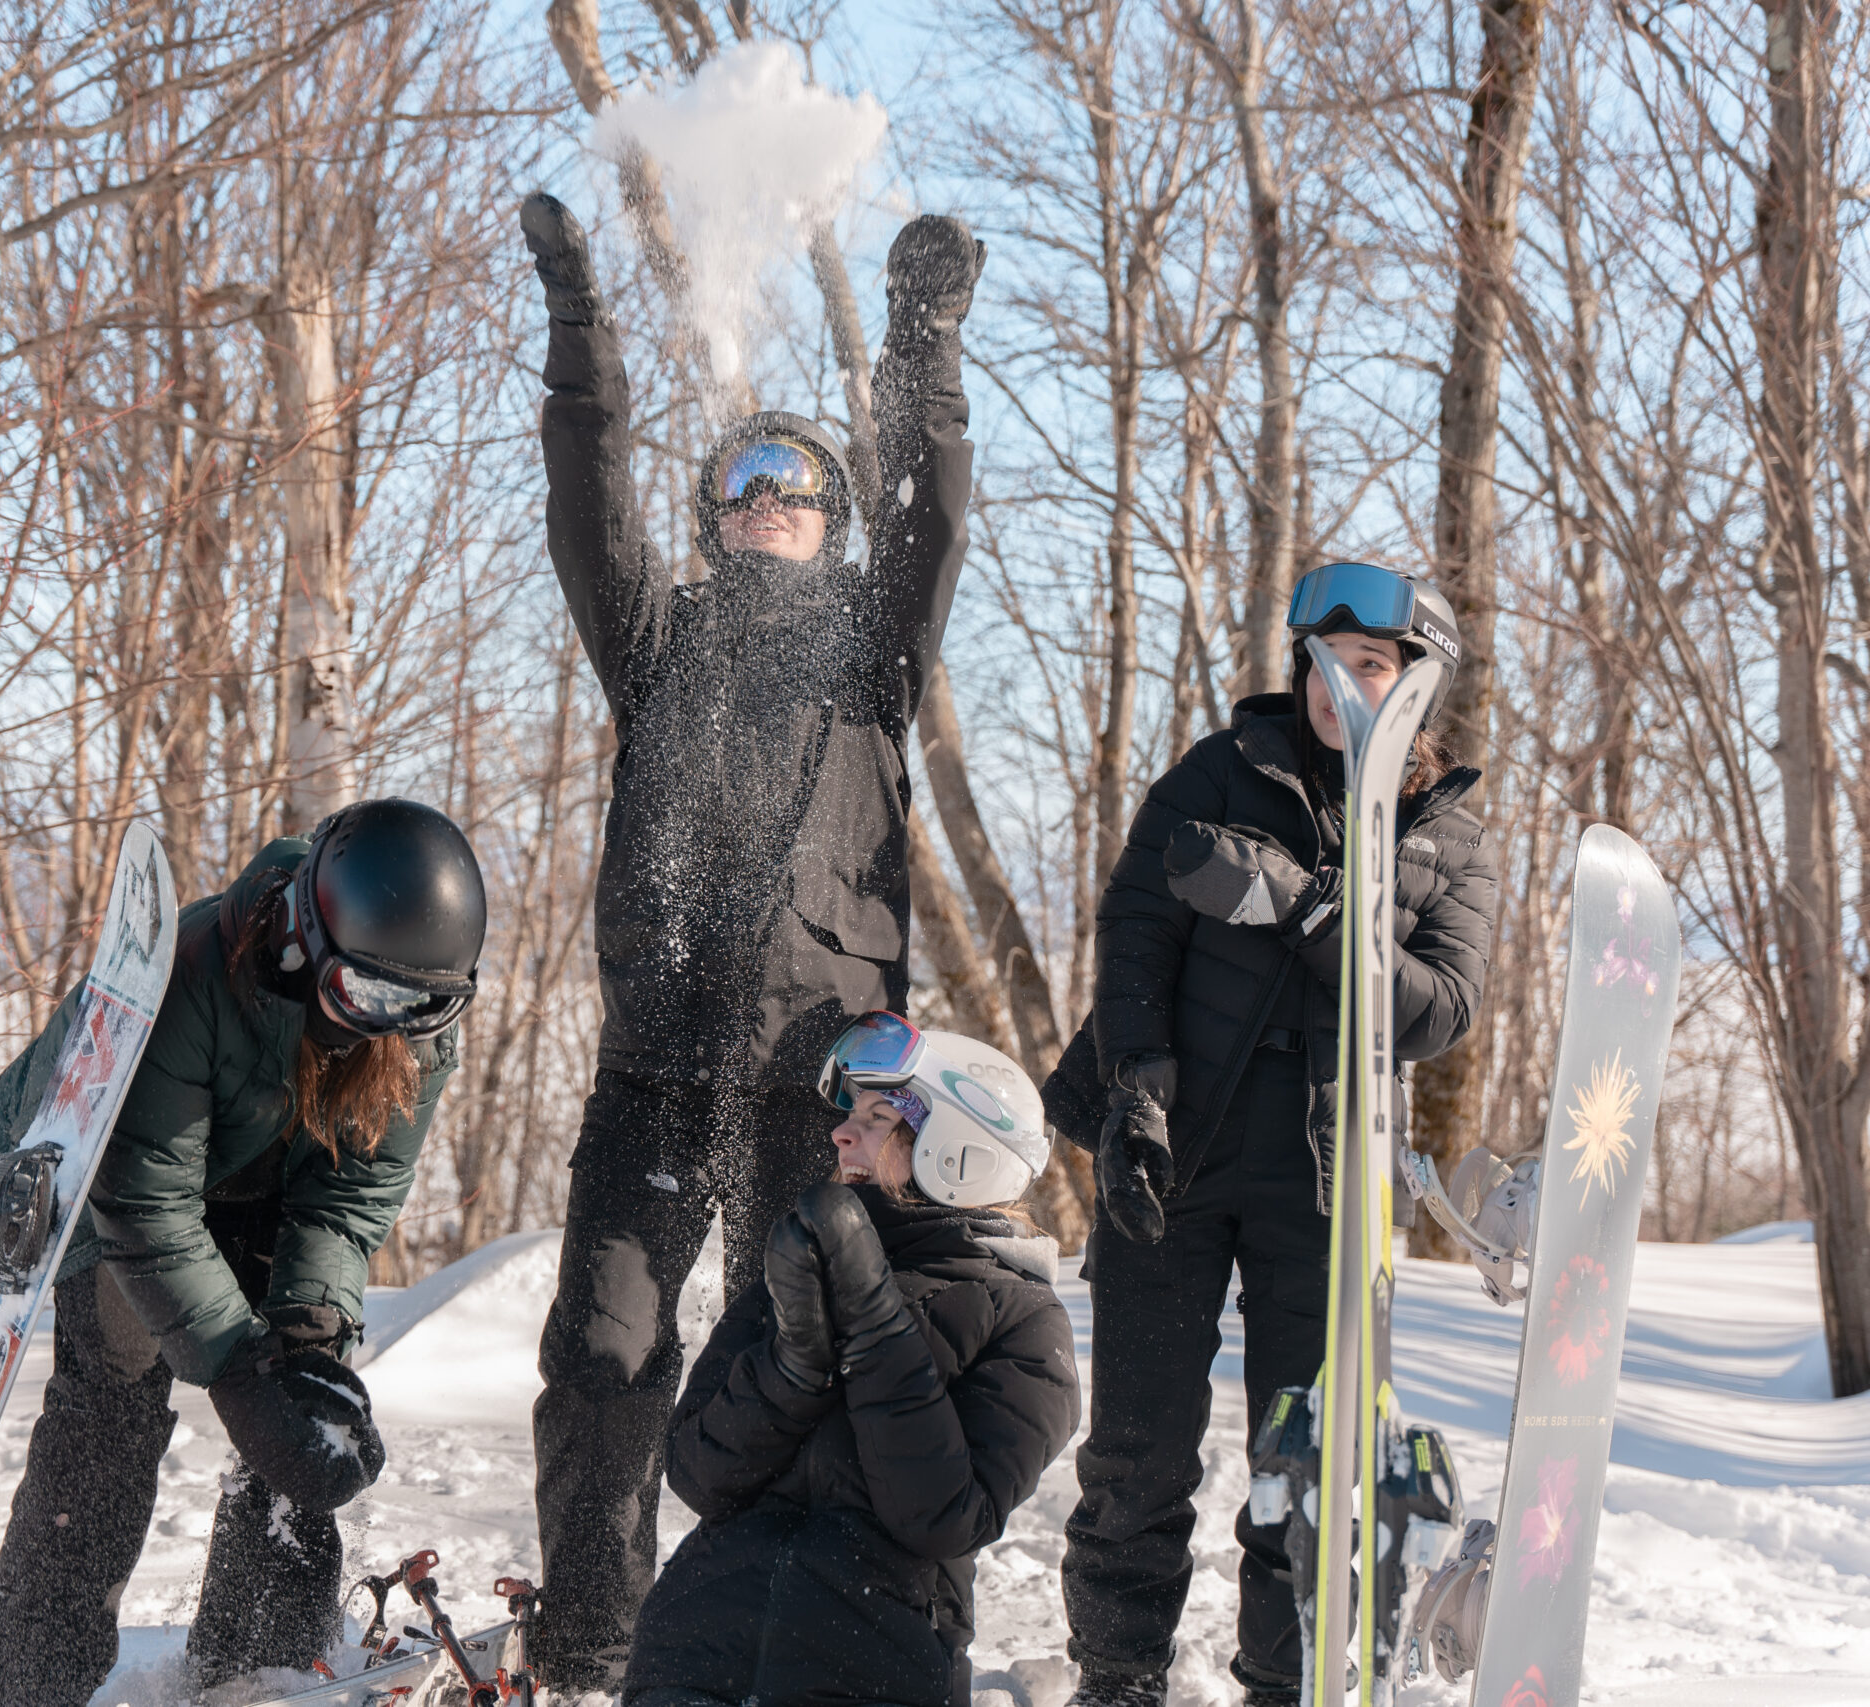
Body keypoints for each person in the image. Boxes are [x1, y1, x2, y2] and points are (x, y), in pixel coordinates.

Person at [515, 192, 985, 1687]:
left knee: (801, 1363)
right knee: (604, 1359)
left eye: (797, 480)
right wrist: (581, 334)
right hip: (655, 1071)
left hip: (823, 1086)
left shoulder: (875, 645)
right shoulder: (660, 643)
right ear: (718, 512)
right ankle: (594, 1640)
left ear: (831, 515)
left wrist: (922, 341)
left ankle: (799, 1641)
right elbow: (590, 513)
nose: (768, 496)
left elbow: (935, 500)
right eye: (743, 479)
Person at [1055, 563, 1496, 1706]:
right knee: (1137, 1454)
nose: (1337, 683)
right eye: (1323, 660)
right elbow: (1136, 935)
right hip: (1178, 1155)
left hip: (1328, 1182)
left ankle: (1281, 1682)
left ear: (1414, 687)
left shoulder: (1447, 833)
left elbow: (1439, 1011)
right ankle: (1116, 1679)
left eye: (1368, 665)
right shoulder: (1217, 771)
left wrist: (1304, 907)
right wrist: (1133, 1098)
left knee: (1305, 1467)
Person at [0, 799, 487, 1707]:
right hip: (97, 1171)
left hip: (253, 1184)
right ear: (307, 938)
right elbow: (146, 1197)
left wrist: (303, 1342)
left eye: (419, 1004)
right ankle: (28, 1677)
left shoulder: (410, 1026)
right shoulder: (199, 968)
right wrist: (235, 1371)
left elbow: (350, 1196)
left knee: (303, 1396)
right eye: (366, 995)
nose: (385, 1023)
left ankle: (262, 1659)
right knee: (115, 1380)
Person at [623, 1013, 1080, 1707]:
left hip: (866, 1670)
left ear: (957, 1148)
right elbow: (696, 1472)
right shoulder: (798, 1263)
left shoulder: (1024, 1318)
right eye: (850, 1114)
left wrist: (872, 1322)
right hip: (690, 1656)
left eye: (878, 1116)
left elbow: (943, 1517)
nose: (842, 1132)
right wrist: (793, 1368)